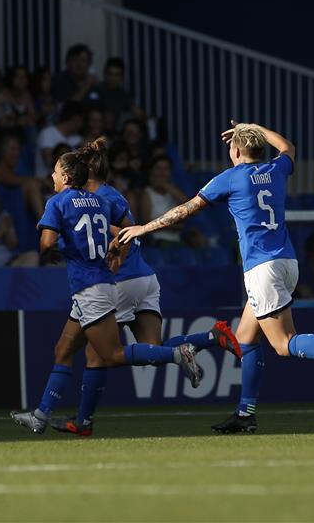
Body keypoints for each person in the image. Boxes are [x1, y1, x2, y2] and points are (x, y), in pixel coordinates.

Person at [118, 122, 314, 434]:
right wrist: (255, 127)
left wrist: (144, 228)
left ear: (237, 150)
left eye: (231, 147)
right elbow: (288, 147)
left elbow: (186, 210)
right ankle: (246, 414)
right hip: (287, 262)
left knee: (283, 344)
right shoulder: (276, 169)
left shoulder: (230, 178)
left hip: (262, 268)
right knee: (245, 338)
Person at [46, 138, 241, 436]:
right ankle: (212, 337)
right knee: (153, 350)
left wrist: (112, 255)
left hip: (119, 281)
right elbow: (130, 230)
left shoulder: (89, 199)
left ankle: (82, 421)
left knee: (97, 354)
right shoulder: (113, 195)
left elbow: (120, 235)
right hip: (146, 279)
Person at [9, 152, 204, 434]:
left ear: (65, 177)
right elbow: (128, 228)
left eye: (54, 172)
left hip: (91, 288)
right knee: (62, 350)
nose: (50, 177)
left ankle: (178, 355)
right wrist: (116, 248)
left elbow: (46, 243)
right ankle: (41, 415)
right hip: (101, 284)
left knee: (110, 355)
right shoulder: (101, 200)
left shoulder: (57, 202)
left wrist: (56, 250)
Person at [0, 136, 46, 219]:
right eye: (13, 149)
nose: (17, 153)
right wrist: (40, 181)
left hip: (17, 207)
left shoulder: (16, 173)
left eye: (18, 150)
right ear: (2, 152)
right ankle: (46, 225)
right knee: (32, 185)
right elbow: (12, 180)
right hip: (0, 208)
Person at [138, 156, 189, 247]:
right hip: (156, 241)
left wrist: (167, 187)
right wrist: (173, 226)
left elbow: (190, 208)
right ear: (151, 171)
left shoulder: (174, 191)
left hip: (177, 240)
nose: (162, 173)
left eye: (166, 169)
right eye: (158, 168)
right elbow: (146, 222)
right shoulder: (147, 193)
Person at [86, 57, 144, 130]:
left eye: (117, 75)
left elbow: (138, 113)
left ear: (121, 77)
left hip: (115, 134)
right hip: (93, 132)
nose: (112, 78)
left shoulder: (123, 94)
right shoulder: (96, 90)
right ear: (105, 74)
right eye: (110, 74)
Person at [35, 100, 84, 178]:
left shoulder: (78, 139)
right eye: (82, 120)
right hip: (47, 183)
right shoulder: (48, 133)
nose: (82, 124)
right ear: (76, 118)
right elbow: (49, 162)